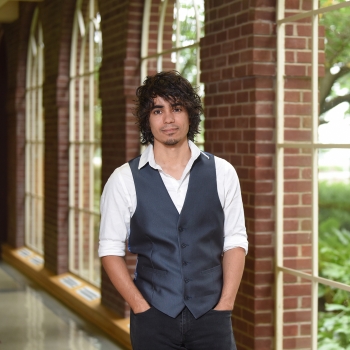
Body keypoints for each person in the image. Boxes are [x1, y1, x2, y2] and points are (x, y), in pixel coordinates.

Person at [99, 71, 248, 350]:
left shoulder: (223, 173)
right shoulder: (124, 179)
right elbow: (109, 249)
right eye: (158, 110)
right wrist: (140, 307)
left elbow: (235, 241)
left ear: (190, 115)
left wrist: (225, 305)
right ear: (147, 119)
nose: (168, 119)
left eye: (176, 108)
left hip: (212, 316)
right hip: (153, 319)